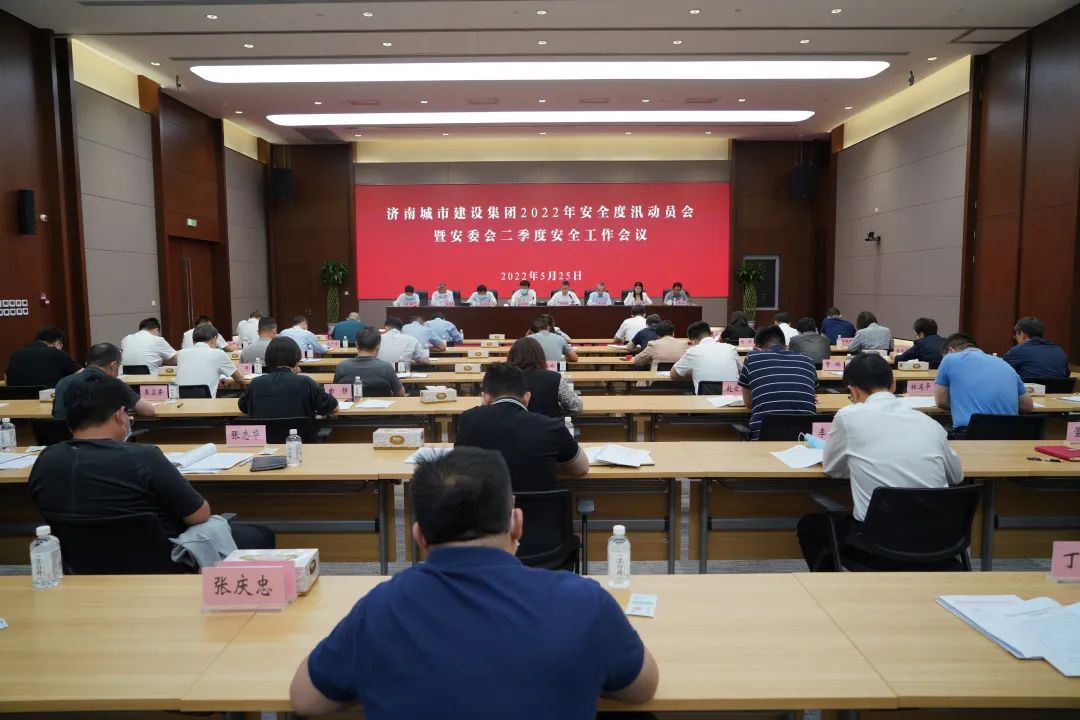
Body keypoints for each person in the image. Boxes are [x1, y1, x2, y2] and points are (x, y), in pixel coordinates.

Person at [288, 447, 658, 719]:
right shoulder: (583, 601)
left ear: (418, 536)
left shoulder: (380, 608)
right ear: (517, 524)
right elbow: (642, 687)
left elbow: (305, 700)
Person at [29, 372, 271, 554]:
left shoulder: (46, 461)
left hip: (83, 568)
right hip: (164, 565)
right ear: (119, 415)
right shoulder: (143, 457)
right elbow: (199, 514)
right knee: (258, 536)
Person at [796, 353, 962, 571]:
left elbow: (832, 468)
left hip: (878, 546)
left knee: (811, 527)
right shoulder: (931, 424)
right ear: (893, 384)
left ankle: (833, 589)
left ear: (853, 390)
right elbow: (956, 476)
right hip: (939, 544)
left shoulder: (848, 416)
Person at [455, 364, 589, 491]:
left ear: (485, 398)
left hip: (488, 506)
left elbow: (459, 468)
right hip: (539, 508)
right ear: (527, 397)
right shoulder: (551, 426)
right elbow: (581, 468)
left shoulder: (467, 420)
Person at [934, 332, 1033, 435]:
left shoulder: (949, 359)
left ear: (950, 351)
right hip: (1011, 434)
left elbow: (941, 401)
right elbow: (1027, 406)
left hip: (972, 434)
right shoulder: (1004, 363)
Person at [738, 324, 818, 439]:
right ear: (786, 345)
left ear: (758, 347)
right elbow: (811, 395)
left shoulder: (752, 358)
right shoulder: (808, 360)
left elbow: (749, 403)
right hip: (805, 439)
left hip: (764, 438)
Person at [239, 337, 338, 419]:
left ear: (268, 359)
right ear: (296, 359)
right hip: (301, 436)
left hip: (266, 437)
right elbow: (333, 407)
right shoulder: (306, 383)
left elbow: (243, 407)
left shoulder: (256, 384)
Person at [53, 343, 156, 421]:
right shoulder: (114, 384)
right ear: (114, 365)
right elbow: (149, 411)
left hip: (61, 440)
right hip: (97, 441)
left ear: (86, 363)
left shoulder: (63, 382)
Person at [506, 337, 581, 418]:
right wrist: (556, 411)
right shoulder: (554, 378)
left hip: (511, 424)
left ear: (512, 355)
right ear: (539, 355)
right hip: (548, 423)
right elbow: (576, 408)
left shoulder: (502, 379)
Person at [176, 324, 245, 398]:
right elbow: (240, 379)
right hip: (206, 403)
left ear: (193, 341)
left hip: (181, 402)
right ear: (214, 339)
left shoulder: (181, 354)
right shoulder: (218, 354)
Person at [332, 326, 405, 397]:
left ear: (356, 345)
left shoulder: (342, 367)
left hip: (352, 405)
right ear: (378, 347)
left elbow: (335, 393)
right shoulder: (386, 367)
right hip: (380, 405)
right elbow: (401, 393)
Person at [670, 320, 740, 393]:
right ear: (711, 334)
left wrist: (694, 374)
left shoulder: (693, 351)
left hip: (706, 398)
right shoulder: (730, 348)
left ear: (692, 340)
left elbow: (674, 374)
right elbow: (741, 370)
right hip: (734, 396)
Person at [4, 327, 81, 389]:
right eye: (62, 346)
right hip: (45, 401)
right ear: (58, 343)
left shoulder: (16, 354)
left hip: (15, 400)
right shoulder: (57, 353)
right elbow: (82, 374)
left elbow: (6, 378)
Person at [1003, 316, 1069, 380]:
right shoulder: (1059, 351)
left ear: (1023, 335)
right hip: (1059, 388)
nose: (1016, 338)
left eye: (1016, 335)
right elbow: (1066, 374)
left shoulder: (1017, 351)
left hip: (1028, 387)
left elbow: (1001, 372)